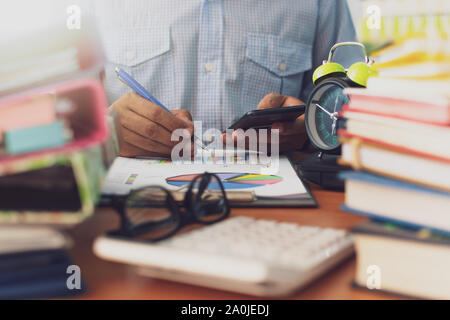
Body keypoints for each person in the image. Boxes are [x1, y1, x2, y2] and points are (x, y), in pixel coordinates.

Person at [92, 0, 360, 157]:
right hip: (139, 205)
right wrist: (105, 130)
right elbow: (59, 119)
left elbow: (355, 113)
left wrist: (312, 131)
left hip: (277, 211)